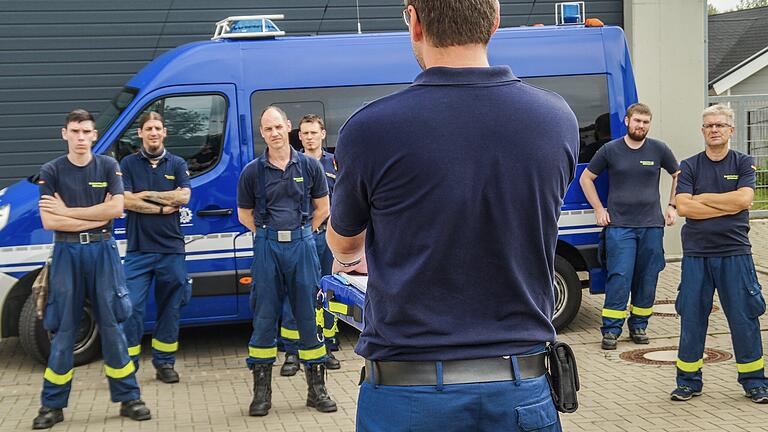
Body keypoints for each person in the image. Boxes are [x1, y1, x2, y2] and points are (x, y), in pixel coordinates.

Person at [326, 1, 579, 430]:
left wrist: (350, 260)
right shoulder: (555, 119)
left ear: (415, 20)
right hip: (519, 389)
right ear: (495, 21)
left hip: (409, 394)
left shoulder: (370, 129)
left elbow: (346, 242)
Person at [32, 109, 151, 429]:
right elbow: (49, 220)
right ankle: (51, 406)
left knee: (113, 325)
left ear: (95, 135)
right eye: (75, 131)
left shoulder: (108, 166)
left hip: (103, 251)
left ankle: (129, 398)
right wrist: (97, 215)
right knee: (64, 330)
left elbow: (116, 208)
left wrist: (70, 211)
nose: (81, 137)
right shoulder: (52, 170)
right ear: (64, 134)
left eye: (87, 132)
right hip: (67, 252)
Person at [236, 106, 336, 416]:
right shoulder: (252, 171)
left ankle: (317, 390)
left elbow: (323, 206)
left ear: (288, 127)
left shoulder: (309, 166)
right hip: (267, 247)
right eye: (268, 129)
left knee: (308, 314)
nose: (274, 133)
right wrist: (270, 235)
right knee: (264, 317)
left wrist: (304, 232)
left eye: (278, 126)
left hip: (302, 245)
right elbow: (244, 214)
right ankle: (261, 394)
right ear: (262, 133)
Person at [671, 104, 768, 403]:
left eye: (720, 125)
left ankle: (754, 382)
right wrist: (727, 203)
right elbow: (684, 207)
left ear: (731, 130)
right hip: (697, 256)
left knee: (743, 318)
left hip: (735, 253)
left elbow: (744, 200)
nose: (714, 129)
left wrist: (705, 200)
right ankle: (688, 381)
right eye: (709, 125)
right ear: (702, 130)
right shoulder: (689, 166)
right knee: (692, 318)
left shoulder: (743, 163)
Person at [579, 103, 679, 350]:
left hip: (651, 226)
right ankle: (611, 330)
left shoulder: (659, 149)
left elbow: (678, 174)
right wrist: (599, 209)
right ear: (627, 121)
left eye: (645, 122)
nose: (641, 126)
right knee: (620, 276)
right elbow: (586, 178)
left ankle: (639, 326)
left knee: (647, 278)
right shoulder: (610, 150)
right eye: (637, 121)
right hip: (620, 227)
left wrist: (673, 205)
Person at [120, 111, 192, 383]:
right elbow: (125, 201)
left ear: (164, 132)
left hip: (171, 249)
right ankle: (127, 369)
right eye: (148, 128)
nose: (153, 132)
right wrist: (164, 206)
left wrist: (145, 196)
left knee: (170, 308)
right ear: (140, 133)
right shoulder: (127, 164)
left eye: (157, 128)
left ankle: (165, 364)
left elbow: (183, 196)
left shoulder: (177, 163)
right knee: (130, 308)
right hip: (139, 250)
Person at [278, 114, 341, 377]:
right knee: (297, 292)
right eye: (305, 133)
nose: (309, 137)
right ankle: (292, 352)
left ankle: (324, 347)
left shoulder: (336, 164)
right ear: (299, 136)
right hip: (302, 238)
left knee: (327, 293)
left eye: (314, 132)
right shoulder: (292, 165)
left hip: (330, 239)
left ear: (323, 134)